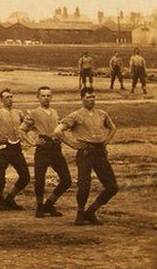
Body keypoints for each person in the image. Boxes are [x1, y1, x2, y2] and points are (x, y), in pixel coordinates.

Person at [54, 87, 118, 226]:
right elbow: (58, 131)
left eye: (93, 97)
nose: (91, 100)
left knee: (112, 186)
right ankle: (80, 214)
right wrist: (72, 144)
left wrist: (105, 142)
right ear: (82, 98)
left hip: (100, 152)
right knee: (84, 185)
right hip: (85, 153)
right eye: (88, 97)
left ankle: (91, 212)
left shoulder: (102, 114)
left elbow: (113, 128)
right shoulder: (75, 115)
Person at [19, 87, 71, 218]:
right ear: (38, 97)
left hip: (56, 148)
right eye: (43, 96)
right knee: (40, 179)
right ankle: (39, 206)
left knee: (66, 180)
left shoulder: (54, 112)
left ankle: (49, 204)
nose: (46, 98)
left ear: (51, 97)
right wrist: (32, 142)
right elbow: (22, 130)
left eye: (48, 95)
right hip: (43, 149)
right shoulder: (34, 113)